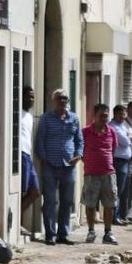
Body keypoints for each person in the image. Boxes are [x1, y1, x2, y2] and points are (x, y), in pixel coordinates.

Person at [34, 88, 83, 245]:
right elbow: (40, 139)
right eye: (60, 98)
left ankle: (63, 233)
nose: (63, 101)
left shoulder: (74, 119)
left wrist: (79, 155)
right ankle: (50, 234)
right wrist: (43, 158)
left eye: (65, 98)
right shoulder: (46, 118)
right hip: (50, 164)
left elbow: (79, 140)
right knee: (49, 200)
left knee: (67, 201)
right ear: (53, 100)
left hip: (69, 165)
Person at [81, 103, 119, 245]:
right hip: (91, 174)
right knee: (90, 204)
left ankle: (108, 233)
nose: (104, 118)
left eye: (106, 116)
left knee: (109, 204)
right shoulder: (85, 132)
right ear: (94, 116)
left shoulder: (112, 132)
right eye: (101, 115)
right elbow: (81, 150)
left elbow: (113, 149)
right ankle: (91, 231)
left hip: (108, 173)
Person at [109, 104, 132, 226]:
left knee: (123, 190)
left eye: (125, 114)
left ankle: (119, 215)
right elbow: (126, 141)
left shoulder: (122, 126)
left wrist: (130, 138)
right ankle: (115, 216)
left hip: (125, 161)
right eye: (121, 114)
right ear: (115, 114)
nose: (124, 117)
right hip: (118, 161)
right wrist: (129, 139)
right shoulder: (113, 127)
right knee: (117, 189)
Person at [20, 86, 39, 218]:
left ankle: (16, 218)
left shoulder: (30, 117)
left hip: (28, 155)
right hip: (20, 154)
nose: (31, 99)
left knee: (35, 192)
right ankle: (17, 223)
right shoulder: (17, 113)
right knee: (22, 190)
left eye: (33, 97)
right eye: (28, 96)